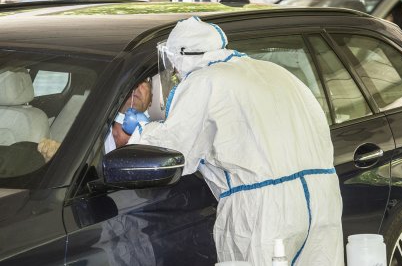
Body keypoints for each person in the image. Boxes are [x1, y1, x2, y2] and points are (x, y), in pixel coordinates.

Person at [128, 16, 343, 265]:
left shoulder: (204, 81)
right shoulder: (272, 71)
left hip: (265, 210)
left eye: (174, 66)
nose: (175, 74)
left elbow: (175, 150)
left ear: (179, 57)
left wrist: (142, 129)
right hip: (322, 197)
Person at [37, 78, 152, 161]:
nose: (137, 84)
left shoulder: (156, 139)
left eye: (145, 80)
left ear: (151, 101)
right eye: (131, 80)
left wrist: (147, 135)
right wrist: (57, 157)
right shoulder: (89, 132)